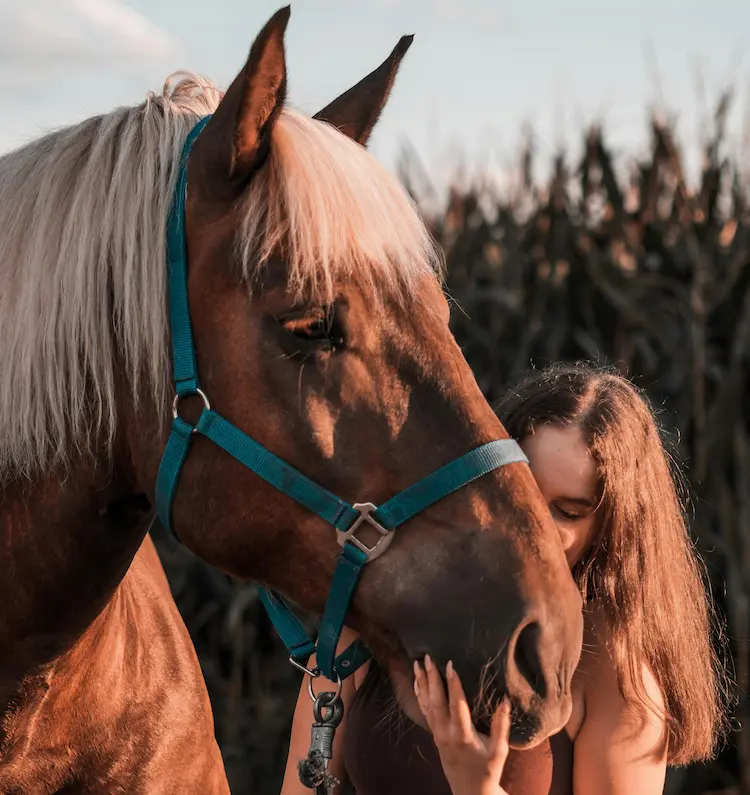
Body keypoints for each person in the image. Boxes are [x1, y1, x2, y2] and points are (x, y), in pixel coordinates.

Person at [280, 363, 729, 795]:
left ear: (612, 528)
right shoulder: (379, 620)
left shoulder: (614, 672)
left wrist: (477, 788)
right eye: (523, 493)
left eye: (566, 511)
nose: (532, 524)